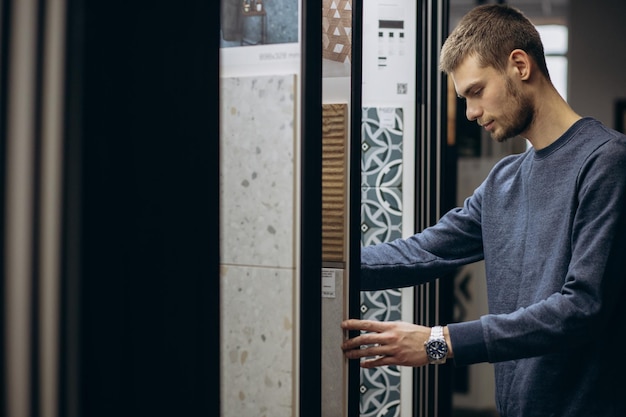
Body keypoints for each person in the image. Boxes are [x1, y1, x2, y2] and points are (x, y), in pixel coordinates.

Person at [341, 4, 626, 417]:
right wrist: (318, 267)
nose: (471, 112)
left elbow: (582, 307)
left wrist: (440, 341)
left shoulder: (606, 162)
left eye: (476, 91)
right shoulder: (503, 180)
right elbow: (423, 251)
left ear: (519, 65)